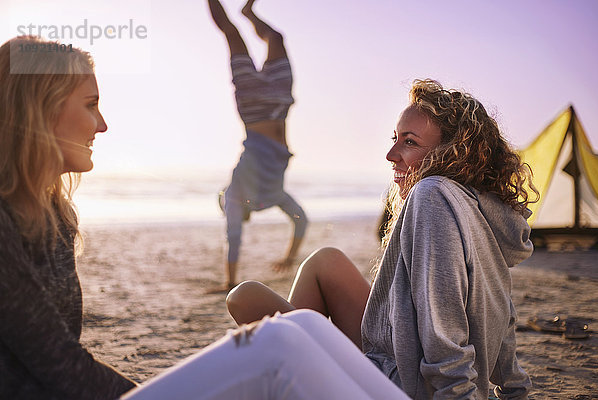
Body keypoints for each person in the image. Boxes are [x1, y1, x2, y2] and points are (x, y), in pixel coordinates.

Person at [0, 35, 413, 400]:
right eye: (91, 105)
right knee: (277, 342)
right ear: (41, 109)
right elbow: (59, 365)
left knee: (292, 332)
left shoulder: (55, 215)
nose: (103, 124)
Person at [227, 79, 538, 399]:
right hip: (402, 358)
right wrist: (514, 388)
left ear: (452, 153)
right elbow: (502, 310)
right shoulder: (480, 207)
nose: (391, 154)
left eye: (410, 142)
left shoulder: (432, 196)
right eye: (395, 139)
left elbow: (443, 324)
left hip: (401, 386)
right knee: (325, 261)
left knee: (244, 296)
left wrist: (458, 393)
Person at [208, 0, 308, 289]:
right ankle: (249, 13)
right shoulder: (273, 195)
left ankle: (247, 14)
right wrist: (290, 258)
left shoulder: (235, 194)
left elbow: (234, 238)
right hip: (279, 100)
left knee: (232, 34)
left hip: (253, 104)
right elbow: (301, 220)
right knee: (275, 38)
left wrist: (230, 282)